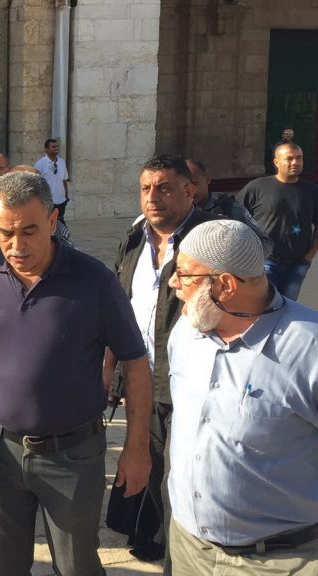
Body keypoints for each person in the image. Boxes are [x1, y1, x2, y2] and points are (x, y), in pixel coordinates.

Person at [0, 171, 152, 576]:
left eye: (29, 231)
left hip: (74, 456)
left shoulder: (95, 282)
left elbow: (136, 363)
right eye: (5, 233)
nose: (16, 246)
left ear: (53, 221)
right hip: (0, 453)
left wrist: (137, 446)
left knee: (77, 568)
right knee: (4, 567)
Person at [165, 219, 318, 574]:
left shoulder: (308, 349)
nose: (174, 283)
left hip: (280, 562)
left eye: (185, 275)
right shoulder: (186, 332)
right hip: (189, 549)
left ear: (226, 285)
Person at [105, 154, 223, 566]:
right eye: (145, 188)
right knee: (152, 466)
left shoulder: (209, 240)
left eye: (164, 188)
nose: (152, 197)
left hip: (193, 382)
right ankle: (154, 539)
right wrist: (108, 367)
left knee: (186, 478)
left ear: (189, 191)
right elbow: (119, 305)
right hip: (141, 378)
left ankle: (186, 559)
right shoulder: (135, 237)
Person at [237, 143, 318, 301]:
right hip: (265, 263)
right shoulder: (257, 187)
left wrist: (310, 256)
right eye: (289, 159)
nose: (295, 162)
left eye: (298, 158)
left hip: (298, 264)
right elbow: (235, 217)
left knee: (288, 307)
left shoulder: (311, 190)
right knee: (263, 306)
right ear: (276, 162)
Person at [185, 158, 272, 256]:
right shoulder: (174, 212)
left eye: (195, 183)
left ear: (207, 179)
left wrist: (242, 261)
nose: (190, 191)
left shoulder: (230, 208)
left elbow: (264, 243)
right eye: (184, 186)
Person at [34, 139, 71, 224]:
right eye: (53, 147)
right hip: (48, 201)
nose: (56, 148)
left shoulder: (62, 162)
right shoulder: (40, 164)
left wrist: (66, 196)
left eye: (57, 146)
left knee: (60, 223)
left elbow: (64, 180)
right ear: (46, 149)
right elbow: (35, 183)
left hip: (61, 200)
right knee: (48, 223)